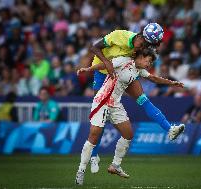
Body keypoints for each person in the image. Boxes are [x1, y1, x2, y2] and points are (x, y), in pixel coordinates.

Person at [77, 23, 185, 173]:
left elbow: (149, 74)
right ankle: (94, 155)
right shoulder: (119, 35)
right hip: (102, 70)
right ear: (142, 37)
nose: (150, 47)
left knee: (143, 99)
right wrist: (104, 63)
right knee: (101, 115)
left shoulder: (141, 47)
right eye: (150, 44)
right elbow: (94, 47)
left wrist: (171, 82)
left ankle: (170, 129)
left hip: (122, 71)